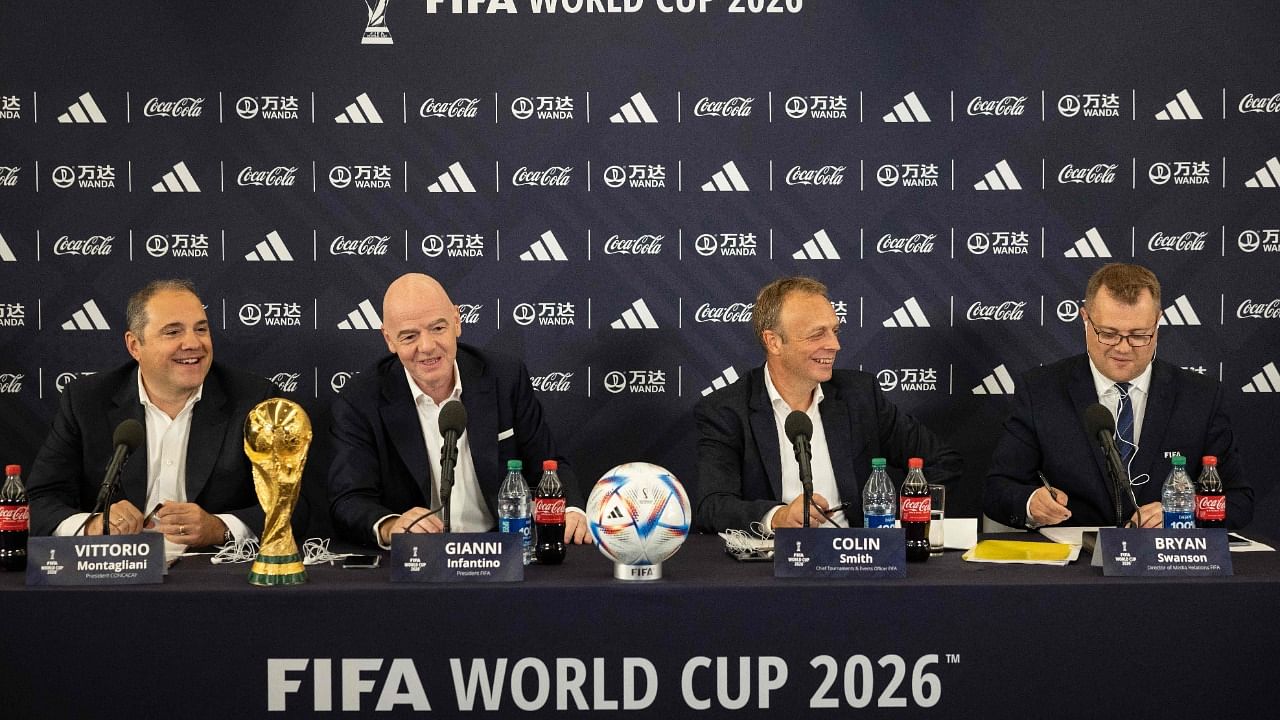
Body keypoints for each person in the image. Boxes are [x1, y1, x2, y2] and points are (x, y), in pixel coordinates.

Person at [328, 272, 590, 548]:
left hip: (502, 549)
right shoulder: (360, 400)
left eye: (438, 328)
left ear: (456, 321)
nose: (427, 346)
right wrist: (392, 526)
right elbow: (349, 499)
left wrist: (571, 510)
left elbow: (549, 464)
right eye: (409, 336)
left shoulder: (504, 377)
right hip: (418, 560)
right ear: (389, 339)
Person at [984, 263, 1252, 529]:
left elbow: (1239, 500)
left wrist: (1183, 512)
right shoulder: (1041, 390)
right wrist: (1032, 503)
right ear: (1085, 319)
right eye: (1109, 334)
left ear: (1158, 322)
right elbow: (998, 489)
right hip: (1074, 564)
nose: (1123, 348)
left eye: (1138, 335)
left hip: (1168, 561)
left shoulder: (1200, 396)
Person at [694, 276, 962, 533]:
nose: (834, 345)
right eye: (817, 334)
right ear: (773, 341)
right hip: (772, 566)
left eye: (834, 331)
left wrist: (901, 523)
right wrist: (778, 517)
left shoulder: (860, 396)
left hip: (859, 562)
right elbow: (713, 506)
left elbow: (941, 461)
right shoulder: (727, 410)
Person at [26, 279, 279, 550]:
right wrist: (93, 525)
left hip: (211, 570)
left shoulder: (254, 400)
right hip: (115, 571)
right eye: (173, 332)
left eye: (201, 329)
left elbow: (293, 505)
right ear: (135, 345)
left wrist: (220, 528)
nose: (193, 343)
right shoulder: (87, 401)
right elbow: (40, 500)